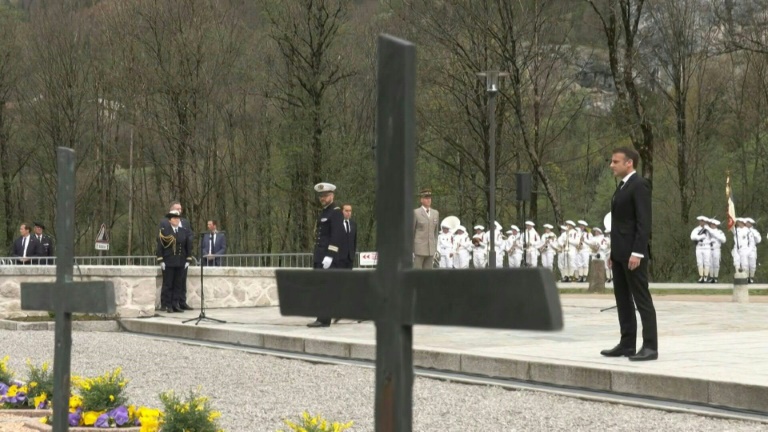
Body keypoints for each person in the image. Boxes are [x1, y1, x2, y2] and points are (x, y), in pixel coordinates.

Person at [602, 146, 657, 361]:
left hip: (634, 255)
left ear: (629, 163)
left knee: (642, 299)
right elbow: (620, 224)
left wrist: (638, 252)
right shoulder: (623, 187)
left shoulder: (639, 185)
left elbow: (644, 223)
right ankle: (627, 344)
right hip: (619, 254)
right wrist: (613, 252)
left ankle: (650, 346)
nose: (611, 165)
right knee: (623, 300)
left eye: (615, 162)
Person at [307, 182, 346, 328]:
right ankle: (322, 318)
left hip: (327, 257)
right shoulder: (325, 211)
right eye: (321, 196)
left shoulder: (335, 212)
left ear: (332, 196)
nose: (323, 198)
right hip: (320, 255)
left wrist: (330, 255)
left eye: (326, 196)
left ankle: (324, 319)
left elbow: (337, 235)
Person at [156, 210, 193, 313]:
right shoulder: (165, 231)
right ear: (170, 220)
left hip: (180, 261)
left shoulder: (183, 231)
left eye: (177, 218)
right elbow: (160, 247)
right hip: (169, 261)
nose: (176, 220)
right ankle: (168, 305)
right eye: (174, 218)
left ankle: (175, 304)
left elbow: (188, 246)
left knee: (178, 284)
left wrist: (188, 259)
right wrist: (161, 260)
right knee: (168, 284)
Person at [413, 188, 439, 269]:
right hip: (419, 248)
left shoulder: (435, 213)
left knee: (428, 275)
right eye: (426, 198)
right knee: (417, 273)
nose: (428, 200)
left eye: (429, 198)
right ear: (421, 200)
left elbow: (436, 232)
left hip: (430, 249)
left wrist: (435, 247)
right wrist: (412, 249)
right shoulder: (416, 212)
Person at [690, 215, 713, 283]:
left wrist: (708, 228)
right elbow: (692, 237)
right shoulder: (696, 229)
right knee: (699, 262)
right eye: (700, 221)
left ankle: (706, 276)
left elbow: (714, 234)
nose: (701, 222)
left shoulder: (709, 229)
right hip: (699, 247)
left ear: (706, 222)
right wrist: (700, 237)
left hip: (707, 247)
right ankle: (701, 276)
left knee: (707, 262)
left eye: (703, 221)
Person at [707, 219, 726, 283]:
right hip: (709, 249)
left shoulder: (719, 232)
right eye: (711, 224)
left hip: (716, 249)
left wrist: (715, 235)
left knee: (716, 264)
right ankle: (711, 277)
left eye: (714, 224)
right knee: (710, 264)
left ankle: (715, 277)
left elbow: (723, 240)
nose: (712, 225)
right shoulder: (707, 231)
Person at [338, 204, 357, 269]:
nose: (348, 213)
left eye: (350, 211)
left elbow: (354, 241)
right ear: (341, 211)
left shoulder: (353, 224)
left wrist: (353, 254)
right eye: (346, 211)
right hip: (339, 258)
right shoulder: (336, 224)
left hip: (350, 258)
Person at [745, 218, 761, 283]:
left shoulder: (755, 231)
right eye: (747, 222)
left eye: (749, 223)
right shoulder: (742, 230)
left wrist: (755, 235)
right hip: (744, 249)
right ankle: (745, 277)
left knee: (752, 264)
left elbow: (758, 240)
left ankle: (751, 277)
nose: (747, 224)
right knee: (745, 264)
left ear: (751, 224)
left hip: (752, 250)